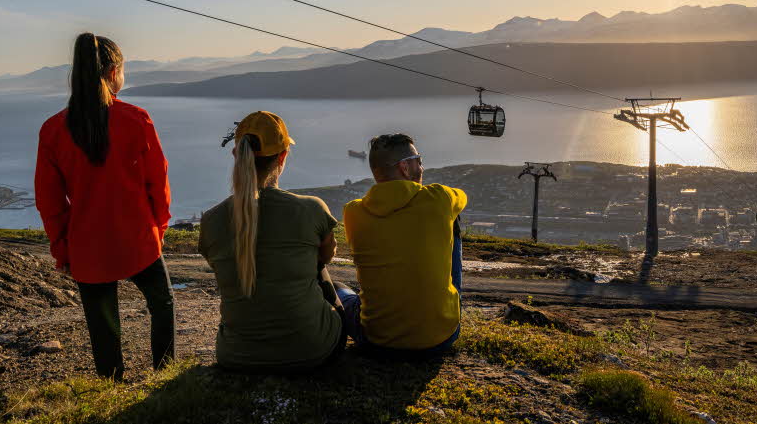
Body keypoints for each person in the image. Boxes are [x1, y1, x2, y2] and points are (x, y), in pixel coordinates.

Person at [35, 33, 174, 381]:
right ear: (113, 71)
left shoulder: (53, 131)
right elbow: (159, 184)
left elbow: (49, 201)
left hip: (87, 247)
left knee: (102, 323)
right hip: (139, 238)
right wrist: (159, 227)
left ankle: (111, 387)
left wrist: (62, 249)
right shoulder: (136, 119)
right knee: (162, 305)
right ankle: (165, 376)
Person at [198, 111, 345, 372]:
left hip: (236, 356)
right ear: (283, 157)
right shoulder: (311, 209)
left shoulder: (211, 221)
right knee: (324, 272)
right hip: (313, 350)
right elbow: (326, 258)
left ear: (236, 155)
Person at [339, 133, 466, 357]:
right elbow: (462, 198)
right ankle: (444, 308)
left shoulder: (353, 212)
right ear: (405, 168)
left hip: (377, 338)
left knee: (338, 290)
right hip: (440, 337)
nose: (422, 165)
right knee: (453, 218)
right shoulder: (439, 199)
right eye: (419, 159)